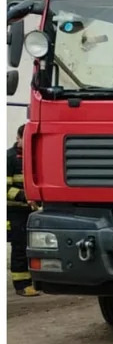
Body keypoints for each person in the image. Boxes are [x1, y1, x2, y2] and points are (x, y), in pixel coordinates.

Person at [8, 124, 39, 296]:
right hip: (14, 211)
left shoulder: (31, 156)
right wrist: (25, 197)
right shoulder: (9, 158)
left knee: (29, 246)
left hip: (30, 210)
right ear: (18, 138)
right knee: (19, 246)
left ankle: (31, 281)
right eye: (24, 139)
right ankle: (21, 285)